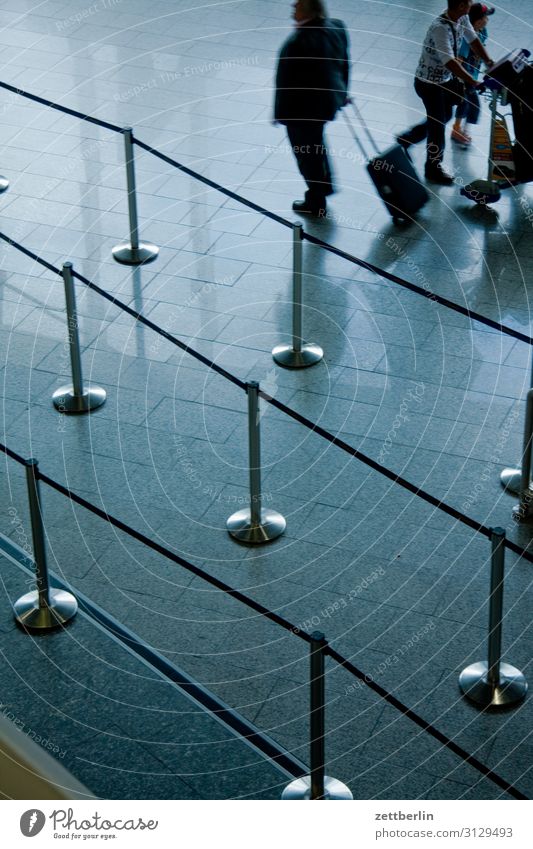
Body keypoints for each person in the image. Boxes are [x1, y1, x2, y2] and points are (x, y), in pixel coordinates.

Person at [397, 0, 494, 185]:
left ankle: (406, 139)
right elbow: (449, 61)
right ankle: (433, 169)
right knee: (437, 126)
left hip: (444, 80)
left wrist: (489, 62)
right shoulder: (440, 28)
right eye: (468, 2)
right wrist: (472, 80)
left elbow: (473, 40)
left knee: (445, 115)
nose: (471, 4)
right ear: (460, 6)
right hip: (428, 84)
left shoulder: (462, 18)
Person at [274, 0, 350, 216]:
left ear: (308, 8)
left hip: (301, 111)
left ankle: (316, 199)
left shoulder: (298, 42)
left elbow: (286, 84)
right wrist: (342, 93)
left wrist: (280, 115)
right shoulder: (336, 27)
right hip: (326, 105)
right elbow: (343, 62)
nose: (292, 6)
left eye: (297, 4)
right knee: (315, 145)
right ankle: (323, 187)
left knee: (306, 153)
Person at [451, 3, 495, 146]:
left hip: (473, 75)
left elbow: (481, 50)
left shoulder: (482, 32)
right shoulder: (465, 37)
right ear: (477, 20)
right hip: (464, 76)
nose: (487, 20)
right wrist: (458, 78)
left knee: (471, 105)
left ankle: (462, 129)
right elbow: (459, 60)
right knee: (468, 103)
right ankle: (457, 130)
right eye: (485, 17)